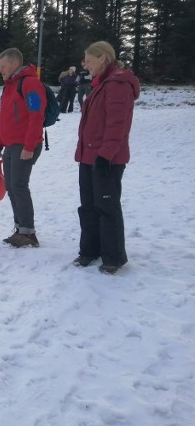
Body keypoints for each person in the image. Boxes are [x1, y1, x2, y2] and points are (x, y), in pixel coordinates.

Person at [74, 41, 139, 274]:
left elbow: (116, 125)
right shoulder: (100, 84)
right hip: (88, 155)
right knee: (88, 206)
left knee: (106, 207)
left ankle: (113, 257)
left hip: (106, 159)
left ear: (103, 58)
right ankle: (90, 250)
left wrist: (105, 156)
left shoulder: (117, 84)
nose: (86, 64)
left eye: (89, 60)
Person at [0, 48, 46, 247]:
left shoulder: (30, 83)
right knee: (10, 186)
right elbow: (4, 120)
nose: (0, 71)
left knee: (19, 186)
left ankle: (28, 232)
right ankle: (20, 228)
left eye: (2, 67)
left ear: (14, 65)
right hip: (10, 145)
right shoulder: (9, 86)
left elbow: (36, 115)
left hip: (25, 144)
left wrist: (30, 145)